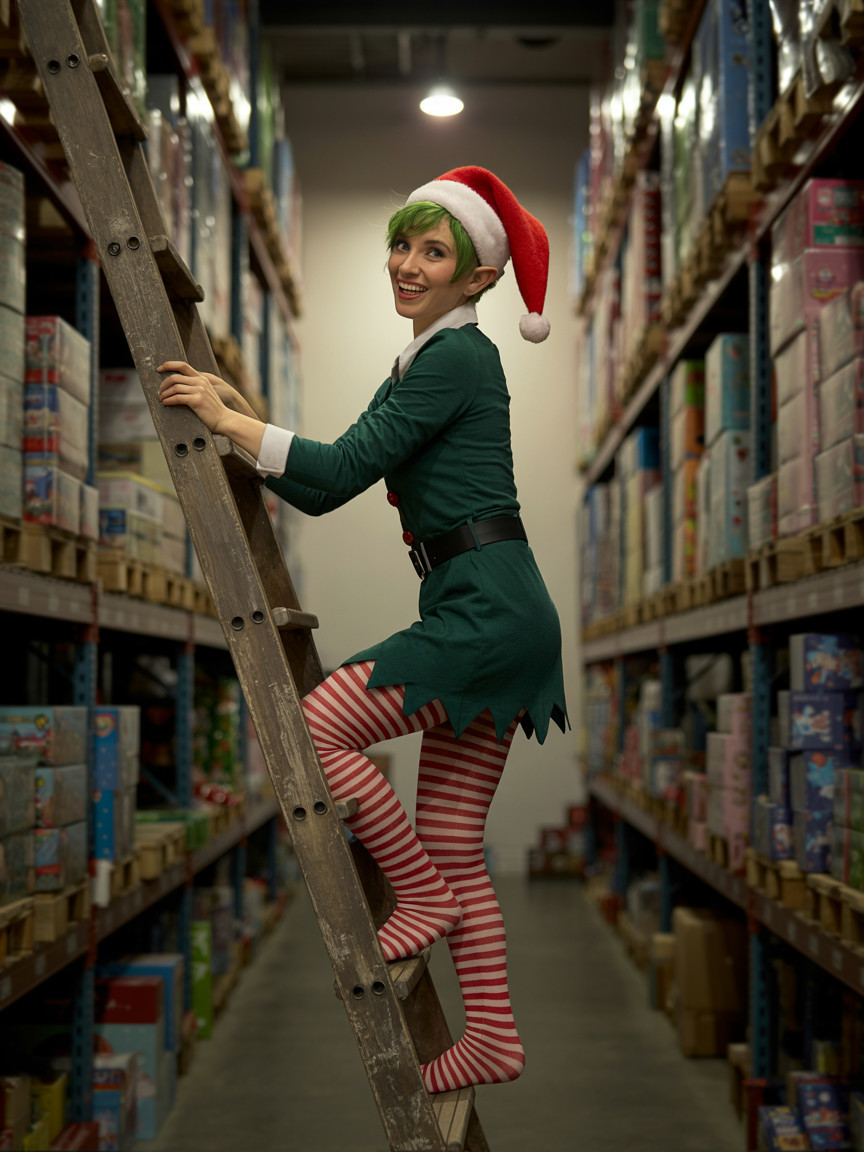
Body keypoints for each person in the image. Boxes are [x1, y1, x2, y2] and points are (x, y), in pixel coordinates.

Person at [158, 166, 568, 1094]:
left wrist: (227, 420)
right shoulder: (422, 360)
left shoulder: (458, 359)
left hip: (486, 610)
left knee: (313, 727)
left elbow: (340, 470)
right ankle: (493, 1037)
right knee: (454, 837)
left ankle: (418, 893)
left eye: (434, 253)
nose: (408, 265)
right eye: (402, 245)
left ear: (479, 277)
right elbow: (322, 482)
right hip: (492, 604)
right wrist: (243, 422)